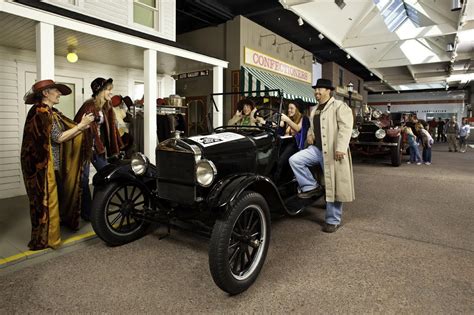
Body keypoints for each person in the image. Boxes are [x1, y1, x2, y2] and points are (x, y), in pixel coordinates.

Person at [21, 79, 94, 250]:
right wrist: (81, 126)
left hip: (48, 165)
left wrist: (79, 127)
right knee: (46, 201)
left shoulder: (51, 112)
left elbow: (61, 133)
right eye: (56, 91)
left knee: (54, 198)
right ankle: (46, 237)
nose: (59, 93)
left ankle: (53, 228)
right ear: (46, 93)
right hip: (42, 167)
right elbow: (58, 137)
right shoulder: (42, 112)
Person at [289, 79, 355, 233]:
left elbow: (346, 128)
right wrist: (310, 135)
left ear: (328, 91)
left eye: (320, 89)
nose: (317, 92)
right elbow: (313, 127)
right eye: (315, 89)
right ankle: (310, 186)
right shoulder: (315, 109)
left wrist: (341, 148)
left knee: (334, 184)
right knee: (295, 160)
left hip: (334, 152)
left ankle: (333, 220)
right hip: (317, 150)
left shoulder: (339, 106)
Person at [75, 77, 123, 221]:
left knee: (106, 174)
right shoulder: (88, 106)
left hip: (97, 148)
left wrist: (114, 146)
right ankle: (87, 212)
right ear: (100, 91)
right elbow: (79, 125)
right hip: (84, 148)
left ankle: (97, 206)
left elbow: (110, 129)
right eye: (108, 89)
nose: (110, 92)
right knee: (83, 180)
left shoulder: (106, 107)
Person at [274, 98, 310, 182]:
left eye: (291, 108)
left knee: (280, 162)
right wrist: (281, 125)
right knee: (274, 160)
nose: (289, 110)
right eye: (288, 108)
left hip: (295, 145)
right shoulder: (290, 119)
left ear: (297, 109)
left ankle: (278, 183)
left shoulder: (303, 119)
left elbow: (298, 129)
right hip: (284, 143)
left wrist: (287, 120)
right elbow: (279, 132)